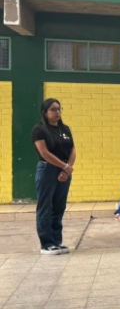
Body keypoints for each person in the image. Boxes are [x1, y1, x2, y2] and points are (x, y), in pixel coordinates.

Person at [32, 98, 75, 255]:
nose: (57, 112)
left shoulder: (65, 129)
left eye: (59, 109)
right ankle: (46, 244)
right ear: (45, 112)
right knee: (46, 206)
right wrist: (64, 167)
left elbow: (72, 150)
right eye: (53, 109)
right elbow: (44, 153)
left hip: (64, 170)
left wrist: (66, 170)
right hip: (47, 170)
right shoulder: (40, 130)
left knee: (59, 206)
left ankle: (57, 242)